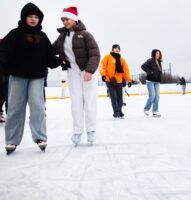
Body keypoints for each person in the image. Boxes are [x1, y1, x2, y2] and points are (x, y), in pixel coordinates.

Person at [0, 3, 61, 154]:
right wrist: (3, 68)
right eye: (30, 16)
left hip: (37, 77)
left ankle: (40, 137)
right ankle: (12, 140)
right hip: (17, 77)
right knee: (14, 108)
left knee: (38, 106)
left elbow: (49, 58)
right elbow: (3, 52)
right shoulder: (15, 34)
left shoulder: (43, 36)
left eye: (36, 17)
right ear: (24, 17)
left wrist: (60, 61)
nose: (33, 19)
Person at [53, 6, 100, 145]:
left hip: (87, 70)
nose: (64, 22)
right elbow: (51, 50)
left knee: (89, 101)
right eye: (63, 20)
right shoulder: (62, 37)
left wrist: (90, 71)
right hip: (72, 71)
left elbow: (95, 53)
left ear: (74, 19)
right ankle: (77, 131)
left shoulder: (85, 35)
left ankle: (91, 130)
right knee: (76, 102)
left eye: (66, 19)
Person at [100, 44, 132, 118]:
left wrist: (129, 80)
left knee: (119, 97)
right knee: (113, 96)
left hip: (119, 81)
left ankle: (120, 111)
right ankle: (116, 112)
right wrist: (103, 75)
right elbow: (102, 66)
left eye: (118, 48)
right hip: (109, 80)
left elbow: (126, 71)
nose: (117, 49)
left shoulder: (122, 60)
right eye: (115, 48)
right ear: (112, 49)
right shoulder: (107, 57)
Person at [142, 49, 163, 117]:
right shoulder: (150, 60)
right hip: (150, 81)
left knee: (157, 96)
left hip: (157, 81)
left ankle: (155, 111)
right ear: (154, 54)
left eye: (159, 54)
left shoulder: (159, 62)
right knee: (152, 96)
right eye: (157, 53)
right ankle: (146, 109)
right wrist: (150, 72)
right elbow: (143, 66)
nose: (158, 55)